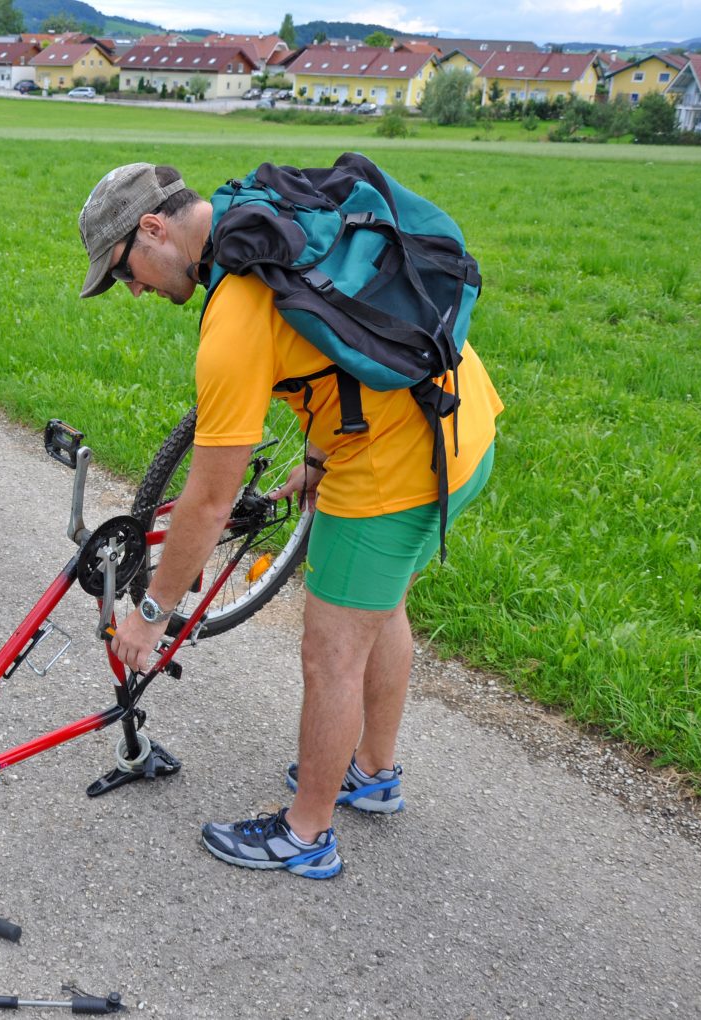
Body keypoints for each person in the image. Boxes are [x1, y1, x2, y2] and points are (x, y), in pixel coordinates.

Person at [79, 162, 503, 879]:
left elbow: (209, 501)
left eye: (125, 272)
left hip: (399, 466)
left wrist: (152, 613)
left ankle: (306, 834)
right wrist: (316, 449)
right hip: (462, 421)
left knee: (329, 652)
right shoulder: (260, 219)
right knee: (382, 607)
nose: (135, 291)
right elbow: (330, 342)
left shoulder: (231, 319)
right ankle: (373, 771)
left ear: (153, 229)